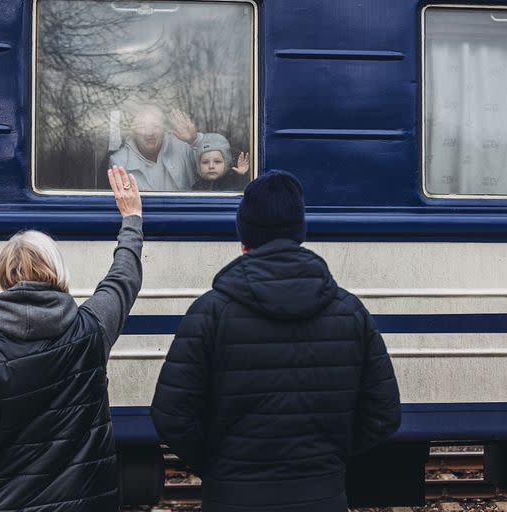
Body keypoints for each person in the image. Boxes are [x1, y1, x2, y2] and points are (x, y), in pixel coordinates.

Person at [151, 170, 401, 512]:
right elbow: (383, 415)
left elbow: (171, 417)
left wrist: (218, 466)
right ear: (300, 233)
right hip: (322, 496)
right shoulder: (351, 312)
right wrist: (329, 460)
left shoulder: (210, 313)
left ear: (243, 241)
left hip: (232, 498)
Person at [0, 165, 143, 512]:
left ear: (3, 277)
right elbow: (124, 277)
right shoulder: (91, 330)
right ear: (57, 272)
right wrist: (132, 218)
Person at [109, 105, 202, 191]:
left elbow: (211, 159)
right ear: (133, 131)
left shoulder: (183, 146)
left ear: (164, 129)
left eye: (156, 126)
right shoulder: (119, 162)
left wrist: (195, 141)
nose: (149, 132)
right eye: (142, 126)